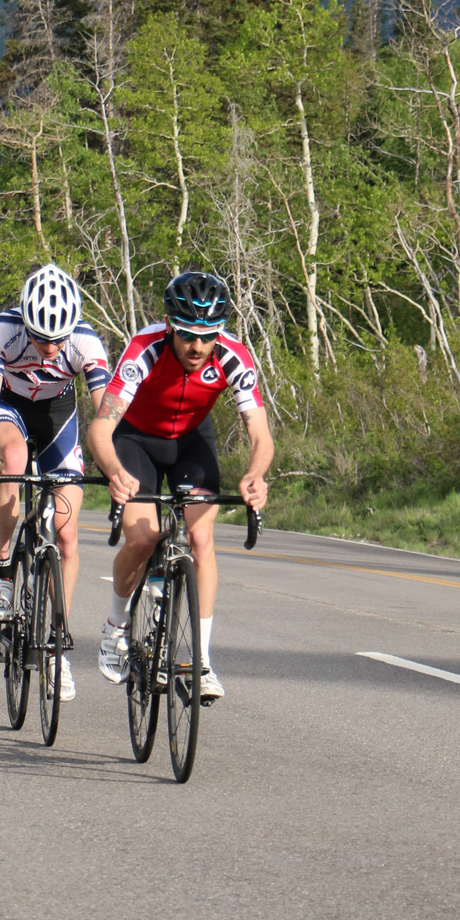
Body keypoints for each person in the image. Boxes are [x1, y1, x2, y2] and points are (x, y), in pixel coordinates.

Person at [87, 270, 273, 702]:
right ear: (170, 325)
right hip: (135, 440)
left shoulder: (233, 357)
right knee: (142, 537)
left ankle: (202, 660)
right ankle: (115, 626)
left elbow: (261, 436)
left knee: (201, 538)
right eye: (188, 335)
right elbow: (101, 430)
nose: (197, 347)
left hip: (191, 440)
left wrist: (255, 474)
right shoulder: (144, 349)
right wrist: (115, 471)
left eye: (208, 336)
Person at [0, 263, 112, 703]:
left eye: (58, 339)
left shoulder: (86, 341)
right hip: (8, 409)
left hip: (57, 418)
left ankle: (55, 648)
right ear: (25, 322)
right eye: (41, 337)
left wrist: (117, 463)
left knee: (67, 536)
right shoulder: (3, 331)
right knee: (12, 458)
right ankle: (3, 572)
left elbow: (107, 414)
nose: (50, 348)